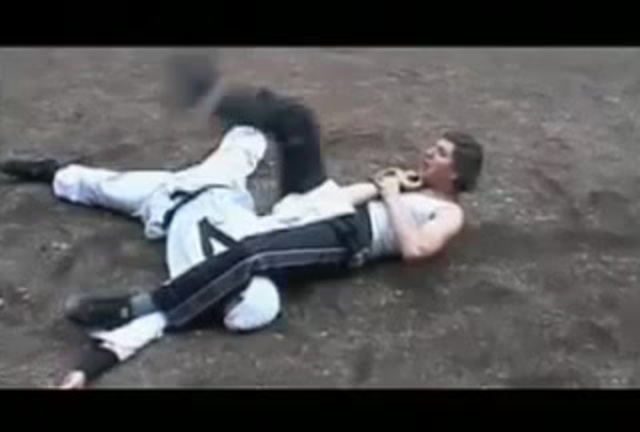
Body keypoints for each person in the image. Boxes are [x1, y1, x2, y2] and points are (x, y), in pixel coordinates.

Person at [0, 88, 484, 389]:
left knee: (250, 255)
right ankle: (224, 99)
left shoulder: (448, 213)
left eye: (440, 153)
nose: (429, 152)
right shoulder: (413, 187)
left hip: (347, 237)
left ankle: (142, 305)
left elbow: (416, 250)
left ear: (458, 174)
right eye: (434, 146)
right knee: (296, 121)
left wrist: (393, 196)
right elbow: (355, 197)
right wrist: (379, 185)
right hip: (320, 208)